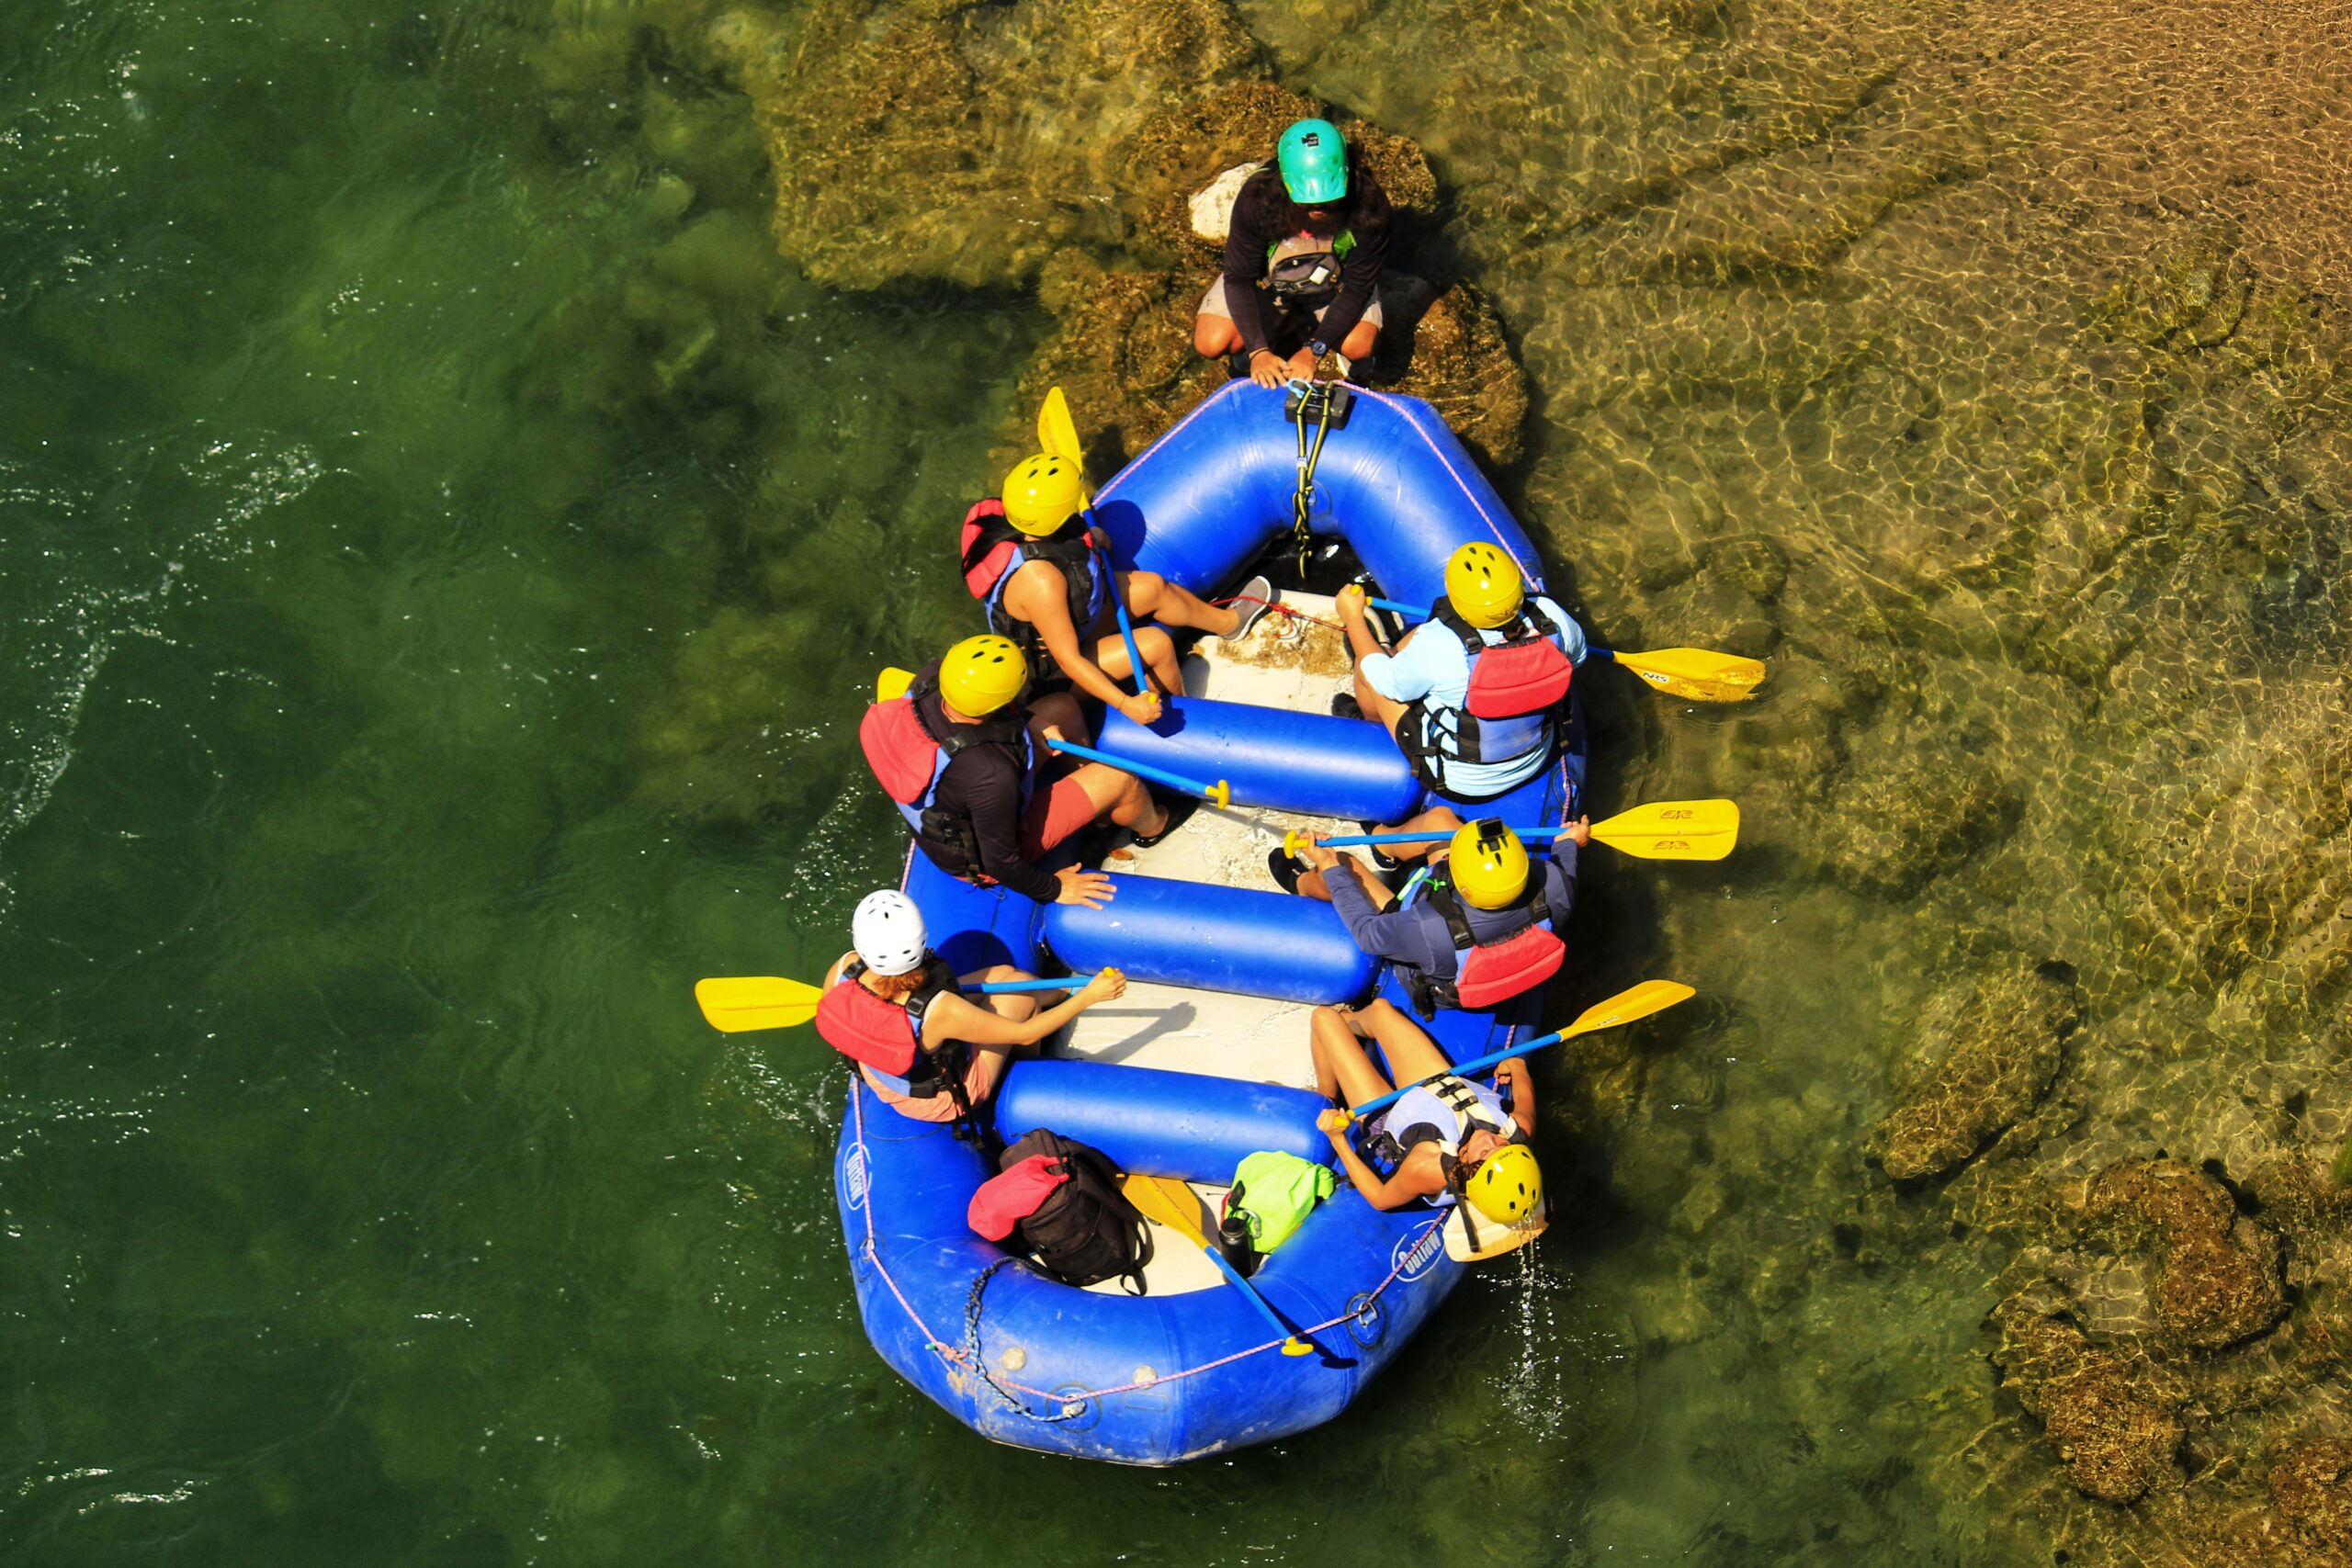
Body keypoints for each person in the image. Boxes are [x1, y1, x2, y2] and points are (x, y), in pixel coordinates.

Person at [859, 636, 1192, 909]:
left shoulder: (931, 680)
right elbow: (1001, 862)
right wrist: (1055, 889)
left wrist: (1033, 721)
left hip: (955, 795)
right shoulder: (991, 775)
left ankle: (1100, 813)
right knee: (1122, 780)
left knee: (1061, 707)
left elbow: (996, 718)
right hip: (979, 855)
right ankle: (1153, 825)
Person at [961, 452, 1274, 724]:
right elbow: (1070, 660)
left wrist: (1087, 539)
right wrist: (1127, 705)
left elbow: (1061, 544)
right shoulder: (1040, 582)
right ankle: (1189, 718)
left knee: (1153, 587)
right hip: (1055, 672)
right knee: (1155, 644)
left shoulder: (1021, 519)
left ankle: (1229, 623)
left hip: (1074, 621)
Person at [819, 889, 1128, 1124]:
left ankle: (1057, 993)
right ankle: (1031, 1066)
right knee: (1021, 999)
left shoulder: (844, 968)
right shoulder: (943, 1010)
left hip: (883, 1070)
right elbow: (1022, 1033)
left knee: (1008, 977)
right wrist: (1091, 997)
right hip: (941, 1097)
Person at [1332, 542, 1586, 801]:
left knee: (1369, 674)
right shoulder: (1554, 618)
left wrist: (1353, 617)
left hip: (1461, 781)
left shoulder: (1438, 645)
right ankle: (1406, 670)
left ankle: (1372, 729)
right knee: (1418, 640)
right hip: (1535, 755)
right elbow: (1576, 659)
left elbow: (1383, 681)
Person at [1271, 812, 1584, 1015]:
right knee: (1441, 820)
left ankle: (1302, 882)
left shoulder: (1425, 927)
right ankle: (1385, 846)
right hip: (1487, 950)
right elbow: (1566, 857)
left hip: (1444, 981)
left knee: (1343, 862)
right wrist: (1570, 842)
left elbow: (1367, 934)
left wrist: (1328, 865)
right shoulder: (1555, 882)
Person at [1308, 998, 1542, 1241]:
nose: (1490, 1139)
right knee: (1380, 1010)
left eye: (1484, 1152)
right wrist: (1517, 1066)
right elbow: (1524, 1095)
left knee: (1324, 1018)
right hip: (1435, 1086)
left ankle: (1327, 1092)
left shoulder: (1428, 1168)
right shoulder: (1517, 1130)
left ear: (1468, 1168)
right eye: (1501, 1145)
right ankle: (1348, 1023)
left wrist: (1337, 1139)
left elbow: (1380, 1198)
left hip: (1388, 1119)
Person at [1193, 118, 1395, 388]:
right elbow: (1239, 278)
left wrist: (1314, 350)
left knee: (1360, 347)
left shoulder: (1370, 207)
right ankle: (1275, 329)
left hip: (1335, 286)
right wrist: (1258, 351)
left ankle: (1319, 335)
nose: (1319, 209)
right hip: (1271, 283)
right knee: (1212, 341)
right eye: (1309, 202)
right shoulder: (1257, 199)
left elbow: (1357, 287)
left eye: (1329, 200)